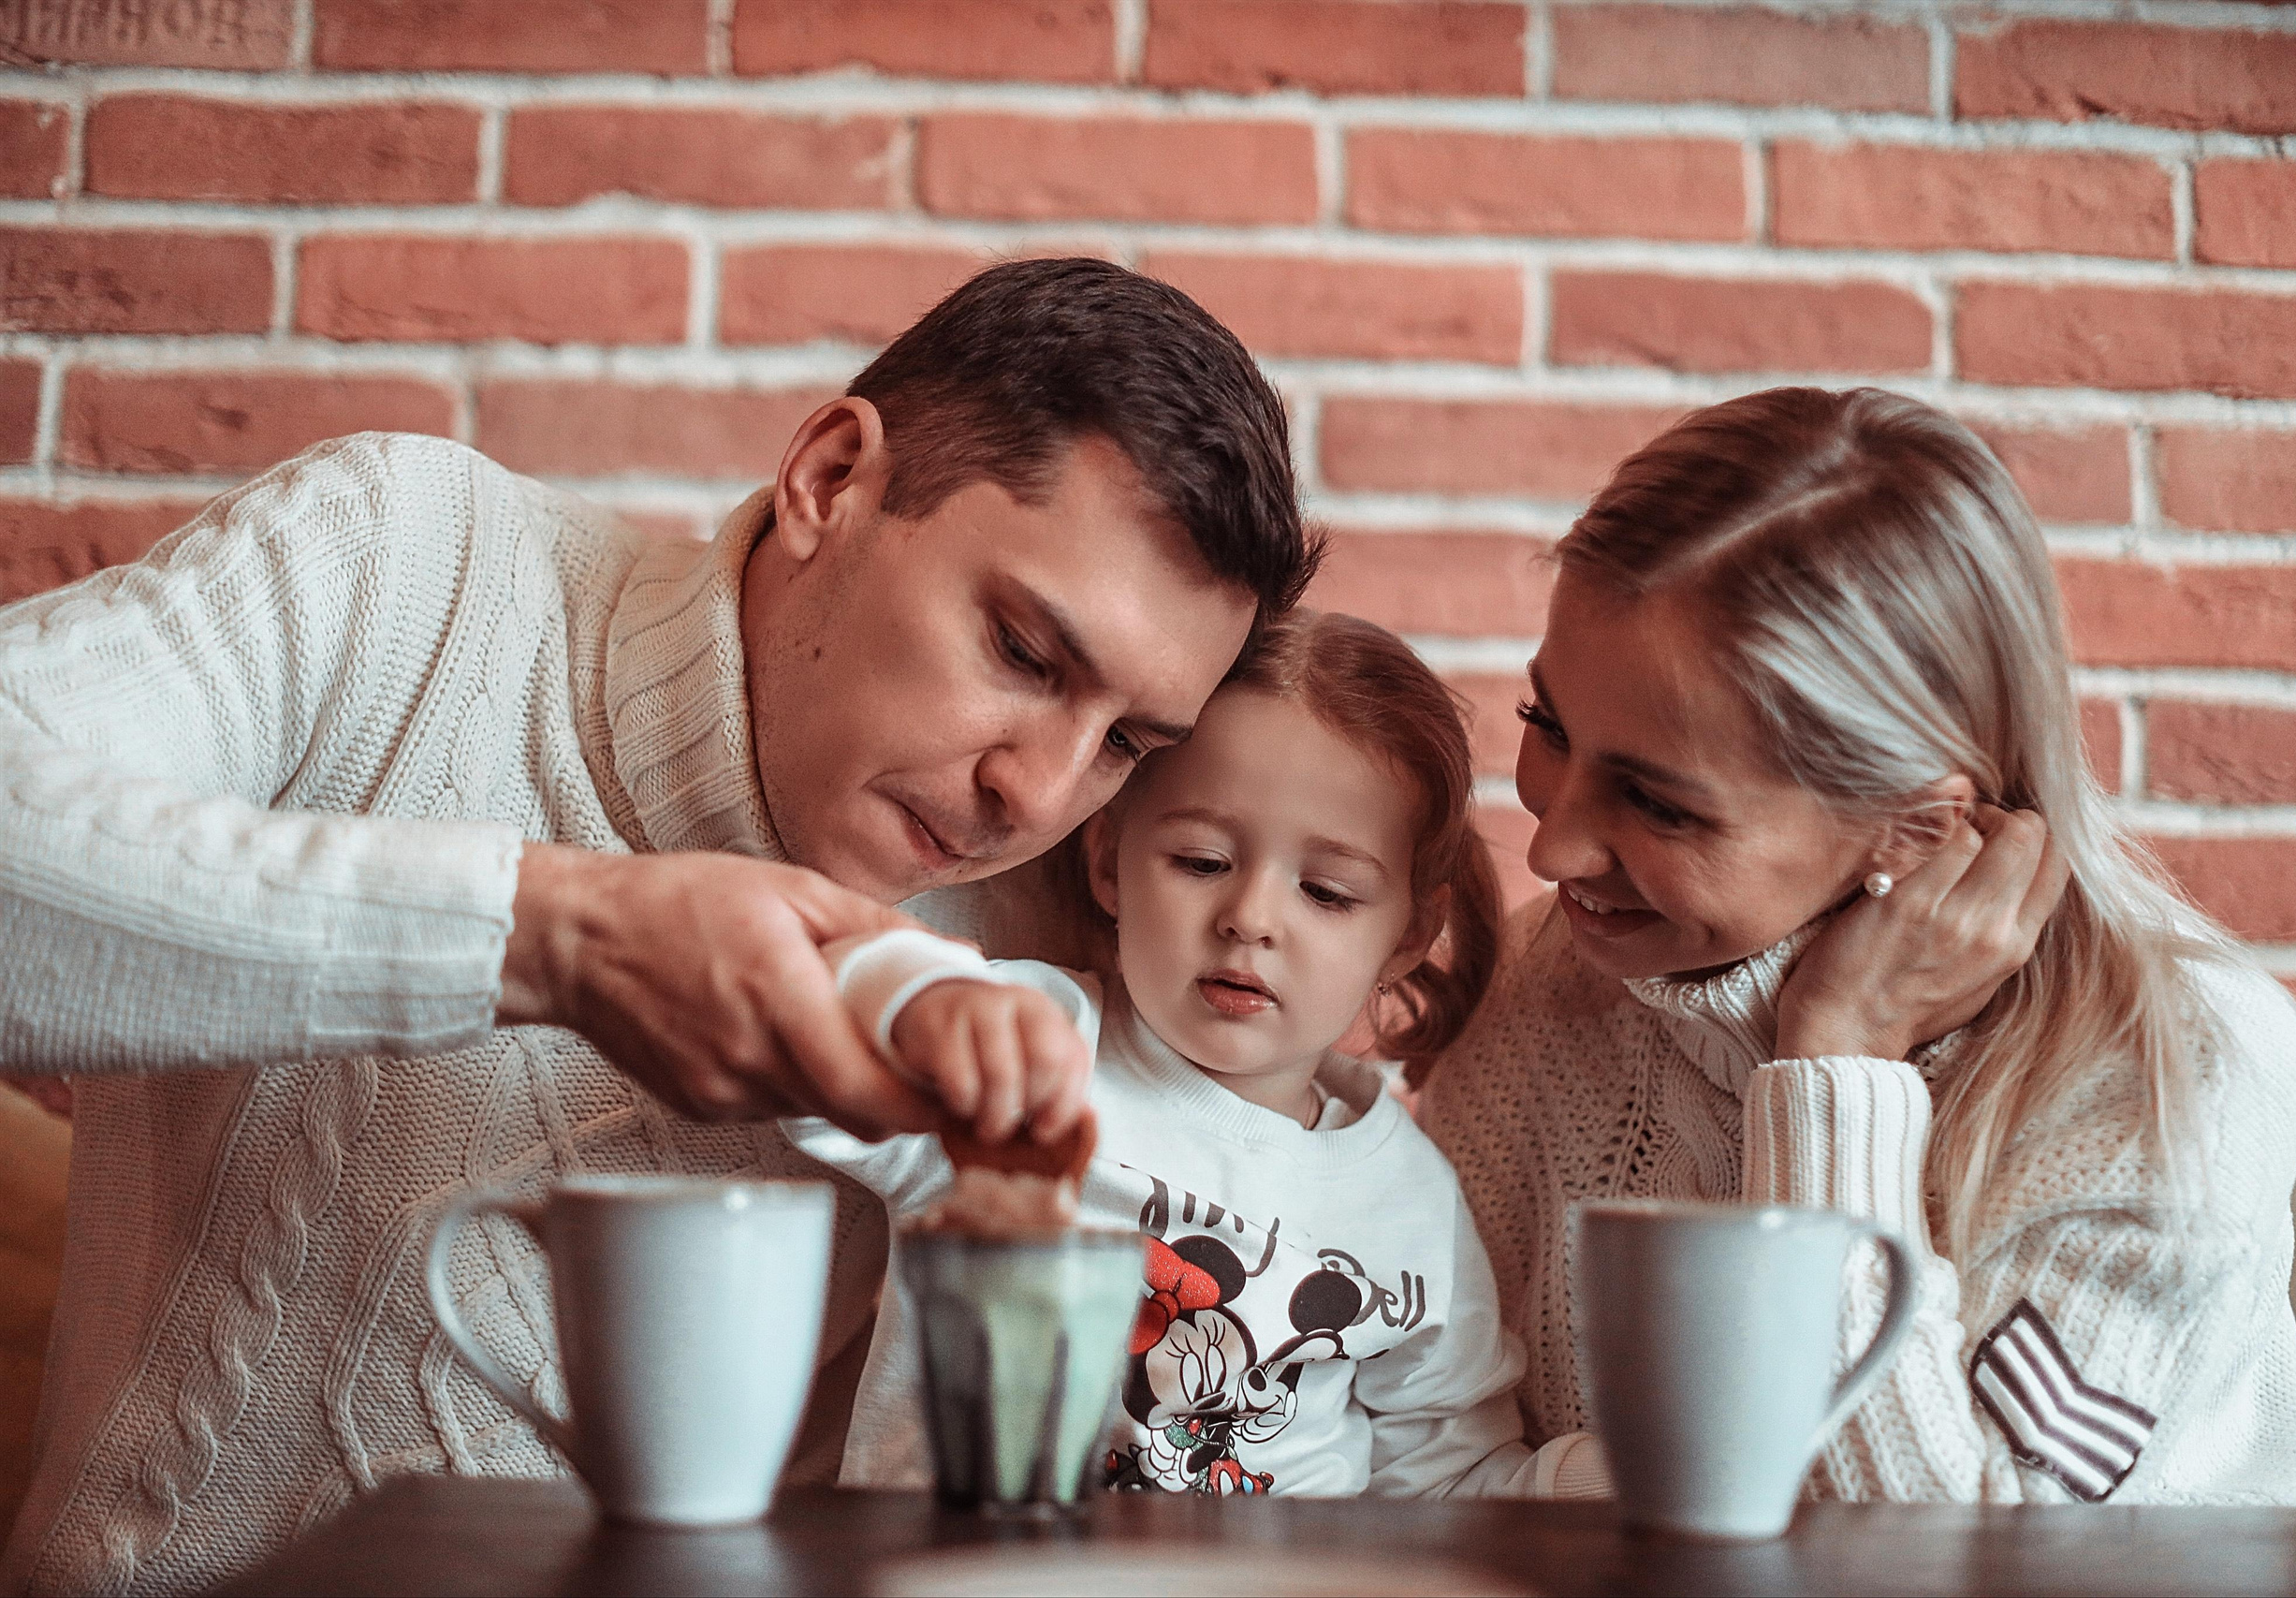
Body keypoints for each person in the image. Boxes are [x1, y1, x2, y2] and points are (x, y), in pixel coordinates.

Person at [0, 258, 1318, 1595]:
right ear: (831, 477)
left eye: (1127, 744)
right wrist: (559, 934)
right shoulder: (405, 562)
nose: (1033, 791)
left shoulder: (1071, 924)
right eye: (1025, 653)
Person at [1421, 387, 2296, 1506]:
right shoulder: (1540, 988)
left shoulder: (2178, 1063)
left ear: (1917, 827)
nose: (1552, 849)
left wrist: (1837, 1068)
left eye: (1660, 805)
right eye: (1546, 727)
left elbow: (1937, 1563)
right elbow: (1434, 1446)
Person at [792, 610, 1608, 1500]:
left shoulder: (1408, 1195)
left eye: (1326, 891)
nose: (1251, 917)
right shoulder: (1030, 1042)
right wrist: (907, 993)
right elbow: (802, 1039)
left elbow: (1446, 1476)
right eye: (1200, 860)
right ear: (1110, 863)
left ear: (1409, 933)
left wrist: (1596, 1483)